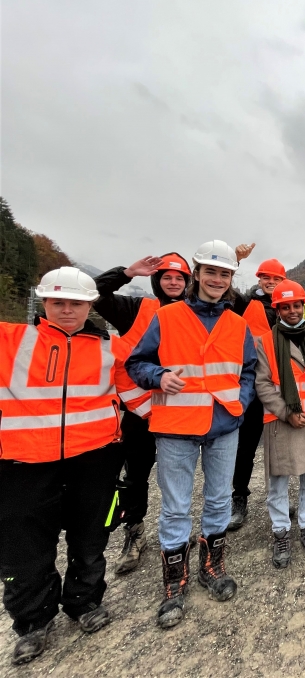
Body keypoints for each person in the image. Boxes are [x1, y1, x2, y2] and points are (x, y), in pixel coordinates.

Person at [0, 268, 129, 665]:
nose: (68, 310)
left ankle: (84, 602)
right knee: (25, 546)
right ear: (44, 302)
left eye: (76, 303)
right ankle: (32, 622)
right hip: (24, 460)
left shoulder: (112, 346)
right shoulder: (11, 339)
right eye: (59, 302)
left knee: (90, 536)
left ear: (90, 305)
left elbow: (135, 390)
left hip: (94, 456)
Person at [126, 240, 257, 628]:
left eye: (225, 274)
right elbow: (137, 362)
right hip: (176, 427)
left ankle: (211, 568)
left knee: (218, 500)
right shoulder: (167, 317)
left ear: (231, 279)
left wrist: (241, 403)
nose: (217, 279)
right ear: (197, 274)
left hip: (223, 425)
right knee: (176, 506)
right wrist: (158, 376)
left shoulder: (237, 323)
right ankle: (174, 582)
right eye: (211, 272)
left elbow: (247, 369)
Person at [93, 253, 192, 575]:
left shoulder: (195, 314)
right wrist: (126, 272)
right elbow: (92, 294)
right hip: (140, 410)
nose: (173, 282)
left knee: (178, 478)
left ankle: (178, 533)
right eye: (167, 277)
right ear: (156, 281)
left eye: (179, 278)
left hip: (179, 410)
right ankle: (134, 533)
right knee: (135, 476)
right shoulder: (136, 310)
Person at [254, 280, 305, 567]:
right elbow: (262, 385)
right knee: (278, 482)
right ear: (277, 309)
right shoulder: (265, 342)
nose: (291, 311)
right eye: (285, 306)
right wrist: (286, 413)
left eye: (296, 305)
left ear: (303, 306)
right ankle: (280, 532)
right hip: (281, 421)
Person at [227, 255, 287, 531]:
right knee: (246, 446)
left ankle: (280, 499)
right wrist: (233, 260)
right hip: (251, 382)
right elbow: (223, 288)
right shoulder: (243, 303)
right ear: (258, 279)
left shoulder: (287, 307)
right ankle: (239, 498)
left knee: (280, 445)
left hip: (279, 383)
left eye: (276, 279)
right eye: (267, 278)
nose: (271, 282)